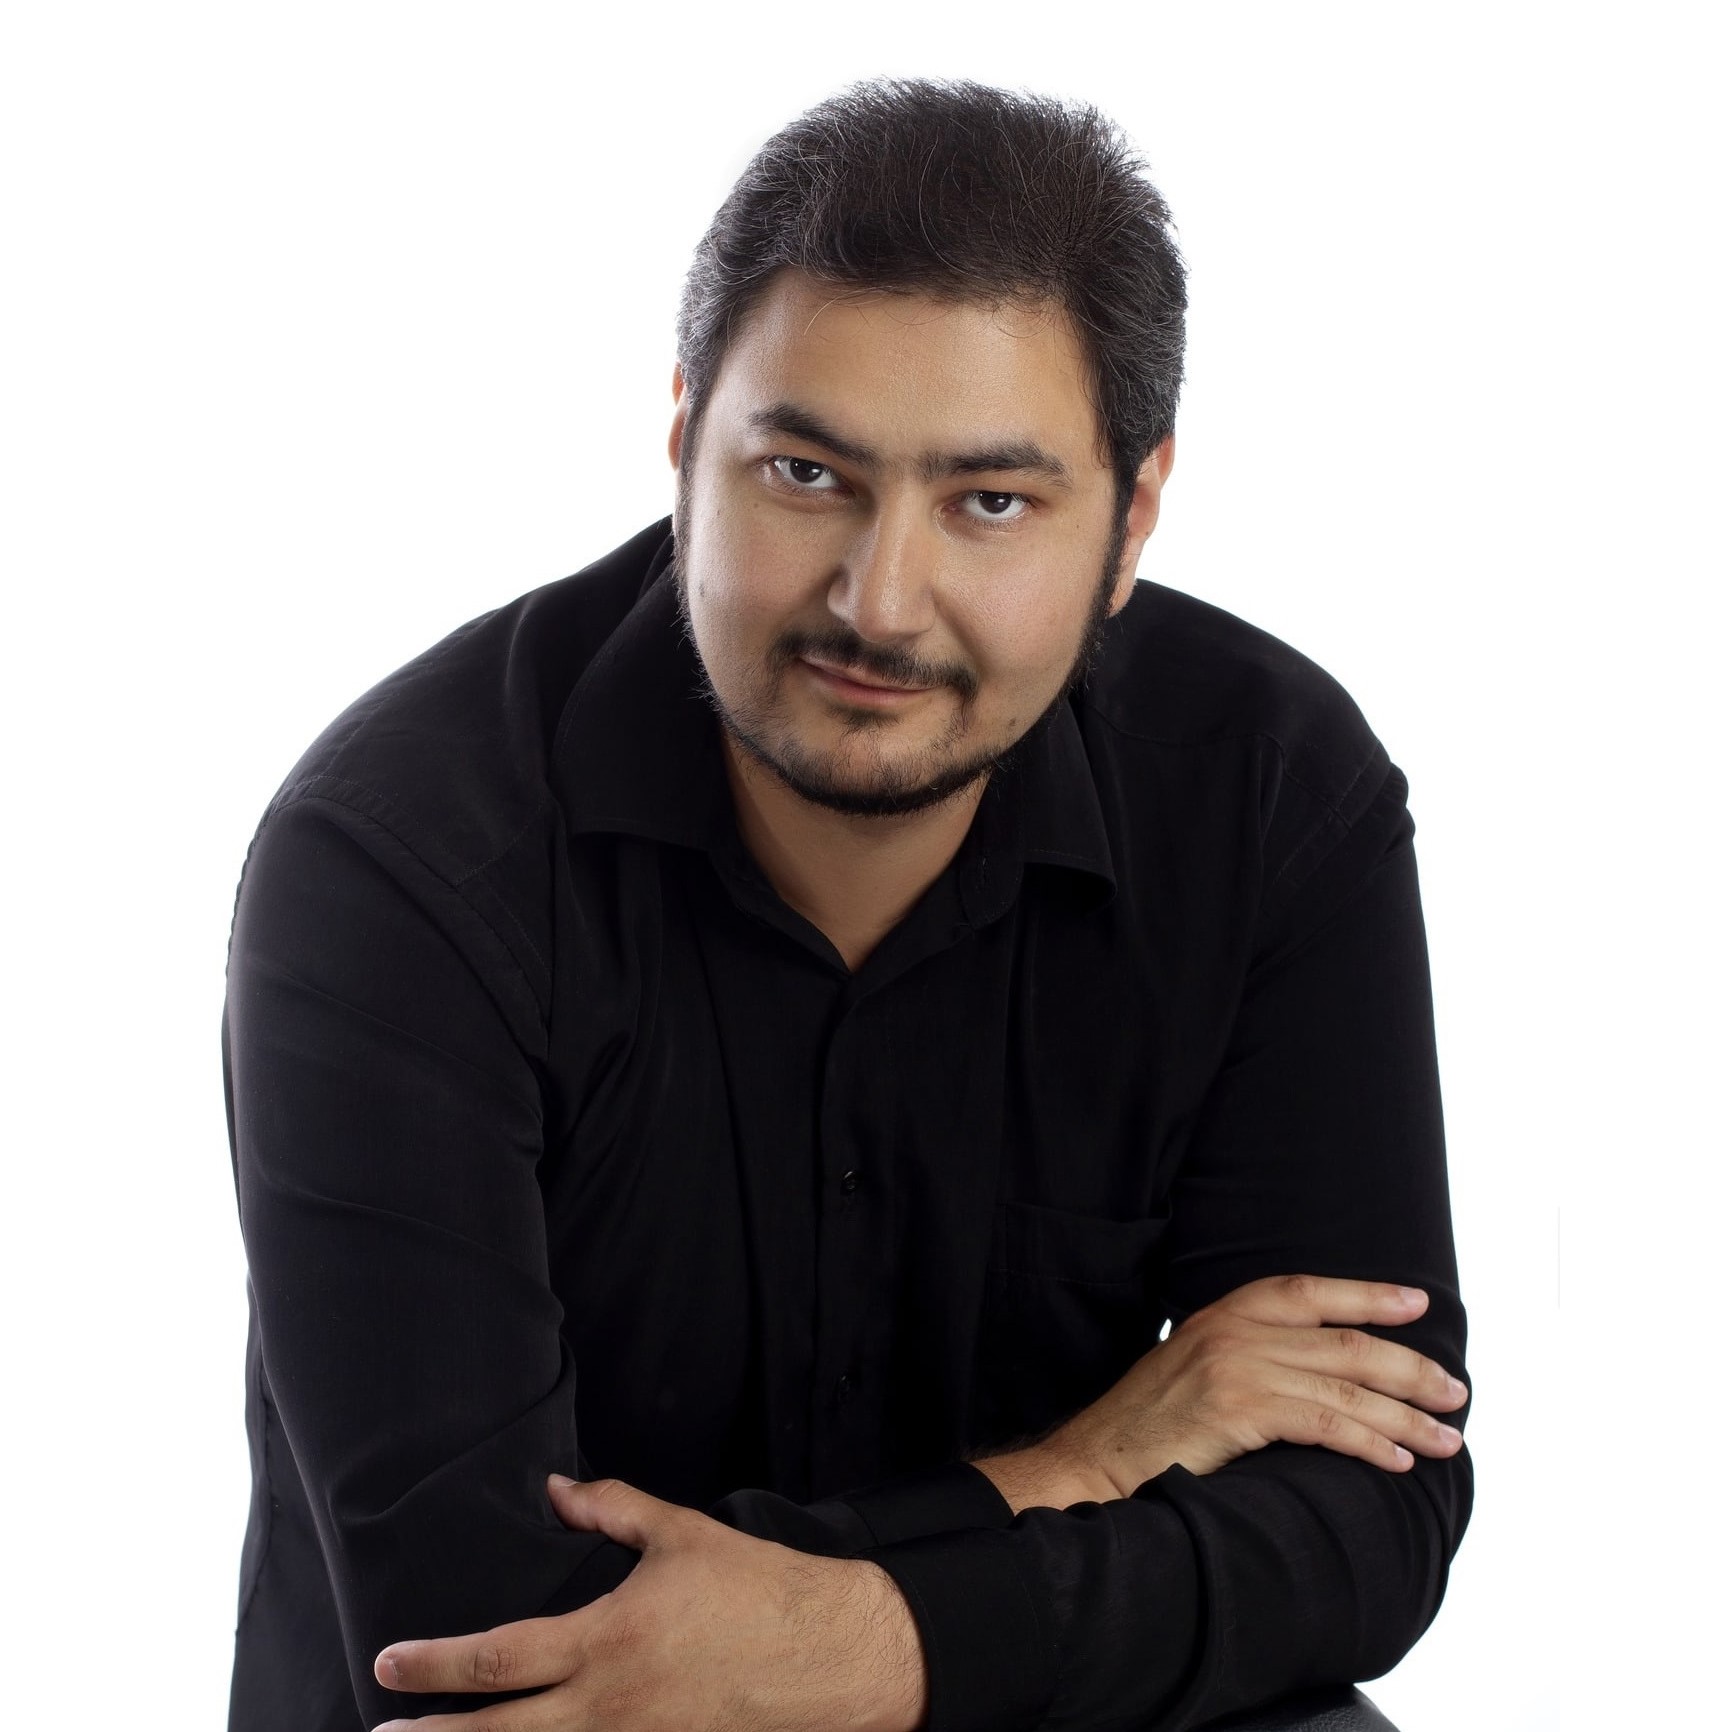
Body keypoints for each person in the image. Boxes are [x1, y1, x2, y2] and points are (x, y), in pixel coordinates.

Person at [223, 78, 1472, 1732]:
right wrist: (1078, 1467)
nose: (880, 603)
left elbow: (1371, 1508)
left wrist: (884, 1641)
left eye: (991, 503)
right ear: (686, 440)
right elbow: (485, 1628)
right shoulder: (401, 861)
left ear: (1133, 519)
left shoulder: (1268, 795)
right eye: (806, 473)